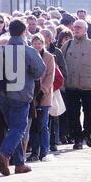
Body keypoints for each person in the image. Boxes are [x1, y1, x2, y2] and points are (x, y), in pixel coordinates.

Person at [0, 19, 46, 176]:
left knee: (12, 129)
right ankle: (5, 154)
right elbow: (40, 71)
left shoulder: (1, 50)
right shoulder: (28, 51)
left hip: (2, 93)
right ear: (24, 32)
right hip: (20, 93)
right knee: (19, 128)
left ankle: (20, 164)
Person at [63, 19, 91, 150]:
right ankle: (77, 138)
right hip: (71, 85)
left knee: (89, 112)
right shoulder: (67, 45)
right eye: (75, 27)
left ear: (85, 30)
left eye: (79, 27)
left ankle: (87, 134)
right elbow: (60, 63)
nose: (76, 29)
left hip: (88, 86)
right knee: (73, 113)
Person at [27, 34, 55, 162]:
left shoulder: (49, 57)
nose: (37, 46)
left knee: (43, 125)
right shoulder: (28, 56)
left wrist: (42, 90)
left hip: (44, 95)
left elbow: (50, 75)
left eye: (39, 43)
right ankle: (34, 151)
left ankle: (44, 151)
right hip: (31, 95)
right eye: (34, 43)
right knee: (33, 125)